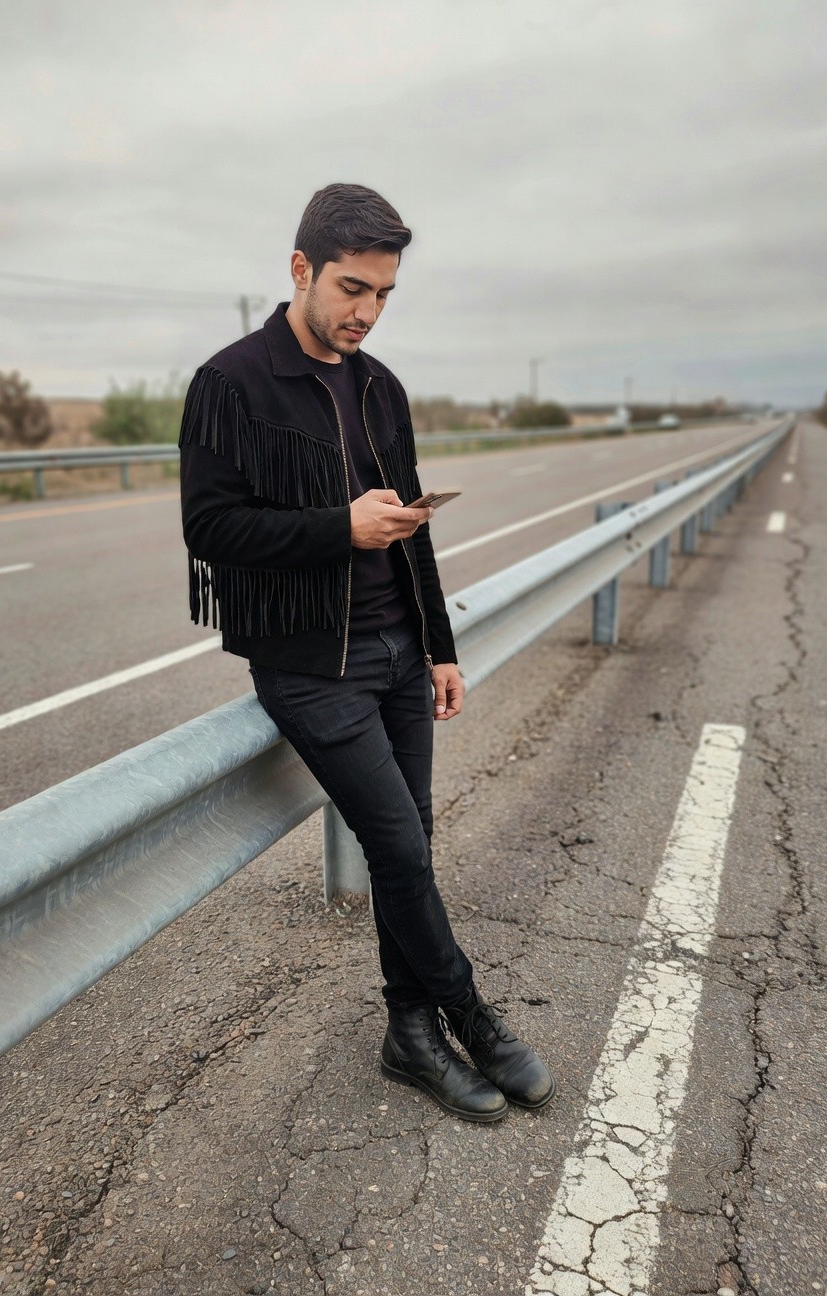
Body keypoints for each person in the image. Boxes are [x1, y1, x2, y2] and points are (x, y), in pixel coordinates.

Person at [178, 183, 554, 1122]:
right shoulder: (232, 382)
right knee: (400, 847)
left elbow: (415, 526)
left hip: (395, 649)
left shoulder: (380, 385)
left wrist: (440, 646)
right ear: (300, 269)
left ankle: (410, 1034)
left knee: (409, 847)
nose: (366, 312)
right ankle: (469, 1015)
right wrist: (335, 528)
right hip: (310, 663)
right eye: (353, 288)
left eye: (384, 294)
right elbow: (211, 525)